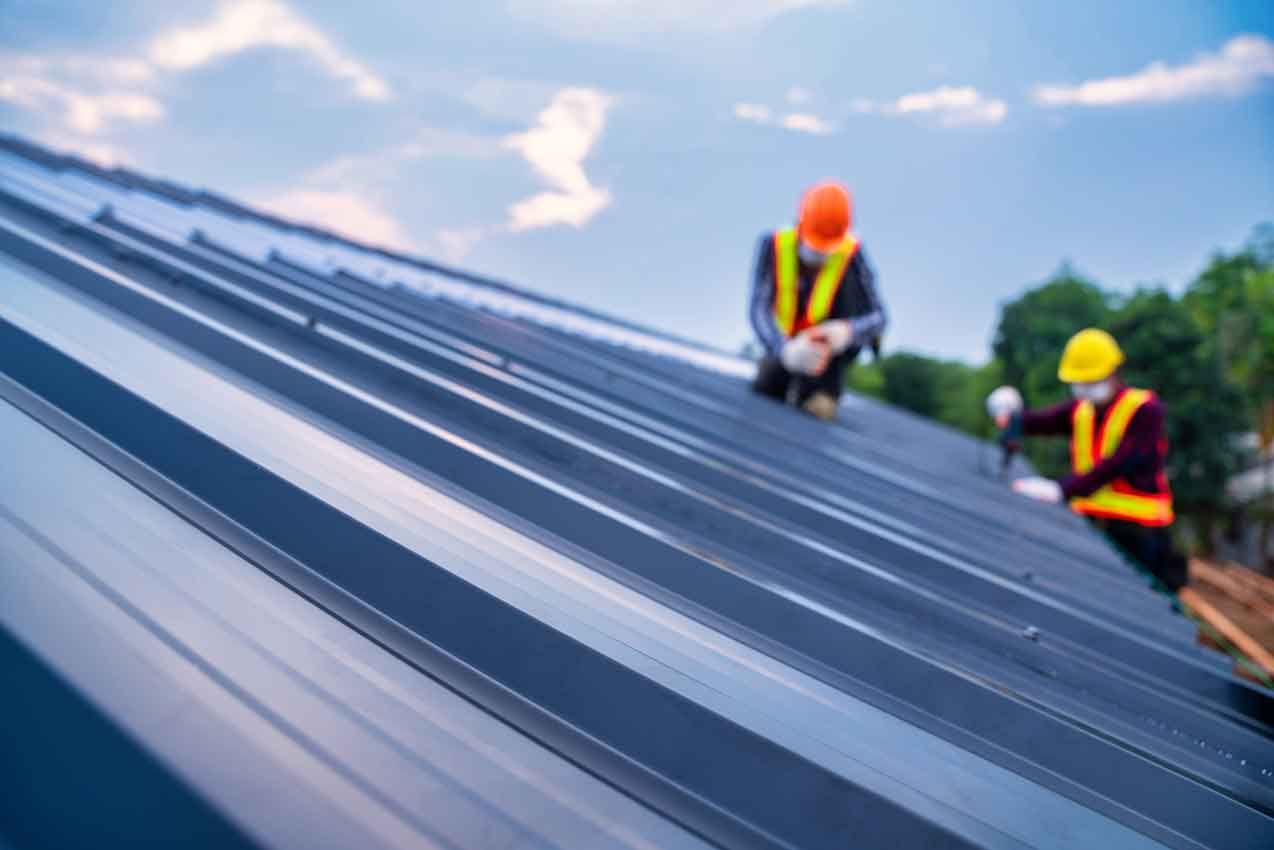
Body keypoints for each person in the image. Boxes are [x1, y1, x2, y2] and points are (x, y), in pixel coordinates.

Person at [990, 328, 1188, 593]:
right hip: (1092, 524)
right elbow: (1040, 421)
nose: (1084, 388)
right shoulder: (1080, 410)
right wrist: (1010, 417)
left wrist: (1061, 489)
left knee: (1138, 599)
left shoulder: (1145, 410)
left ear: (1113, 373)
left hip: (1139, 532)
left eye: (1091, 380)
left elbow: (1120, 462)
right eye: (1079, 382)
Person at [749, 181, 887, 421]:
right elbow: (758, 309)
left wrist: (847, 331)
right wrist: (785, 350)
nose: (820, 256)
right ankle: (778, 374)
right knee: (766, 392)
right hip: (784, 350)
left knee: (817, 411)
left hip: (826, 360)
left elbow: (880, 318)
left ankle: (824, 393)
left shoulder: (852, 257)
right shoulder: (774, 246)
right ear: (800, 223)